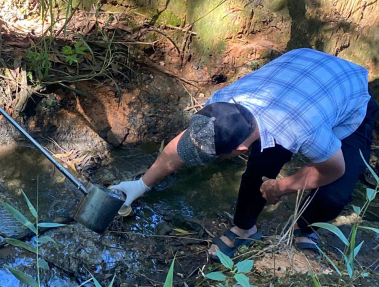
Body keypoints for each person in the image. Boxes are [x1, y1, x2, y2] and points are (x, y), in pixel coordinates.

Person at [110, 48, 377, 259]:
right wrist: (142, 184)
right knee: (261, 167)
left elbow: (332, 169)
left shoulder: (302, 131)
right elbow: (185, 142)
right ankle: (245, 229)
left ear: (239, 149)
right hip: (302, 67)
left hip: (350, 95)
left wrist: (280, 187)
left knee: (335, 194)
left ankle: (304, 228)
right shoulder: (222, 102)